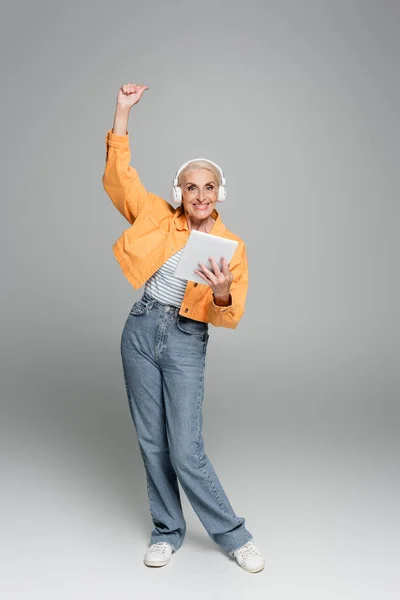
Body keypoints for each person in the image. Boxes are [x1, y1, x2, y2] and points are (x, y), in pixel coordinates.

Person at [102, 83, 265, 574]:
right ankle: (167, 531)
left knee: (186, 449)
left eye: (208, 187)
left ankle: (234, 535)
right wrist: (122, 113)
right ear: (180, 193)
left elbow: (229, 312)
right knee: (152, 441)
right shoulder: (156, 215)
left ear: (219, 194)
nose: (199, 195)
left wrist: (219, 293)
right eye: (191, 187)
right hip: (140, 329)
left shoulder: (231, 243)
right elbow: (119, 180)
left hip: (185, 339)